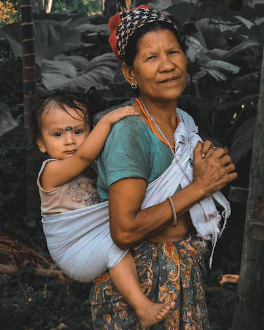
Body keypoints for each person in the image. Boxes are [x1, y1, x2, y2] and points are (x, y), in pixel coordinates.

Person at [90, 5, 238, 330]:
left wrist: (210, 171)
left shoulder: (183, 123)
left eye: (173, 51)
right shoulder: (129, 134)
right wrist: (200, 187)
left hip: (183, 274)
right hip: (141, 287)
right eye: (151, 57)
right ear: (130, 74)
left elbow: (197, 179)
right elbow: (124, 231)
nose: (168, 65)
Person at [31, 89, 176, 329]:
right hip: (73, 249)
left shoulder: (95, 169)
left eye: (78, 131)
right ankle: (143, 308)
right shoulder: (50, 172)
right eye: (58, 134)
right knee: (115, 247)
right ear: (41, 143)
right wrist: (109, 120)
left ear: (89, 131)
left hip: (93, 238)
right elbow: (82, 157)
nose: (70, 141)